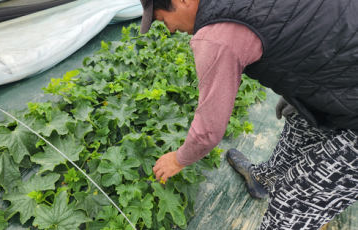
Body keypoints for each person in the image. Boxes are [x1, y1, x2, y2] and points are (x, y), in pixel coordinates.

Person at [141, 0, 358, 229]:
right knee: (300, 124)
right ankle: (263, 180)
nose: (170, 30)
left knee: (293, 202)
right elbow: (309, 22)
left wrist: (178, 159)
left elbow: (208, 131)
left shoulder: (217, 37)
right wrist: (301, 93)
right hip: (346, 64)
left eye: (164, 20)